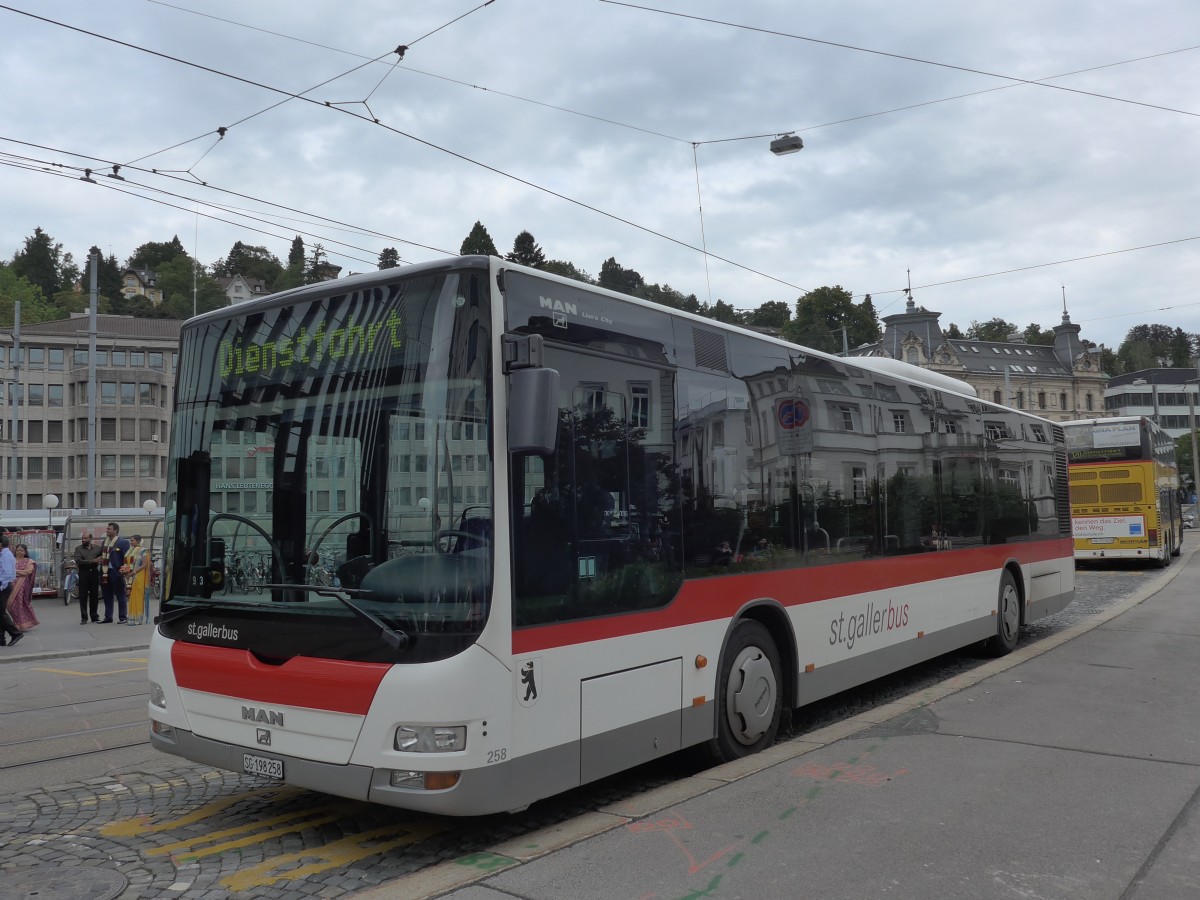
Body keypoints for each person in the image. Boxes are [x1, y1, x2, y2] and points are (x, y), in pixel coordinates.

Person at [100, 522, 131, 624]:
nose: (107, 530)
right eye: (107, 529)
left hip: (116, 572)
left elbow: (126, 558)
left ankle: (123, 617)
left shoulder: (123, 542)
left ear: (115, 531)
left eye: (109, 529)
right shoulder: (105, 542)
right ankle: (108, 617)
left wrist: (124, 570)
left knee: (120, 595)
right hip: (105, 572)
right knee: (107, 595)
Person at [73, 530, 104, 624]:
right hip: (83, 573)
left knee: (94, 595)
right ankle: (84, 617)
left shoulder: (97, 548)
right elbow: (79, 561)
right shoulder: (78, 549)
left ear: (90, 539)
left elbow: (102, 558)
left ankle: (94, 616)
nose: (83, 540)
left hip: (94, 573)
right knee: (83, 596)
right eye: (82, 538)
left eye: (86, 538)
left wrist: (99, 561)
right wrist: (93, 561)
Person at [8, 543, 40, 633]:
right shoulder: (11, 560)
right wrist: (18, 572)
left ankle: (20, 624)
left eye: (21, 550)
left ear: (25, 552)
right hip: (10, 585)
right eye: (18, 550)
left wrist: (14, 572)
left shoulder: (29, 561)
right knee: (10, 604)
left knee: (19, 604)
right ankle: (16, 622)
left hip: (22, 586)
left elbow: (28, 571)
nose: (19, 552)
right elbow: (7, 570)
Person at [0, 534, 22, 647]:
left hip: (4, 585)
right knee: (1, 612)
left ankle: (15, 633)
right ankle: (1, 638)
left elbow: (7, 573)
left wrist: (1, 585)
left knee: (1, 612)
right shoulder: (5, 554)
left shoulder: (6, 555)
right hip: (5, 584)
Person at [126, 534, 151, 625]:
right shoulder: (130, 551)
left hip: (138, 576)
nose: (131, 542)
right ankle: (132, 617)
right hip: (130, 576)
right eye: (130, 540)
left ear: (138, 541)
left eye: (132, 540)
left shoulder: (143, 551)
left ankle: (138, 618)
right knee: (131, 596)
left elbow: (144, 565)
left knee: (137, 596)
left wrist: (133, 572)